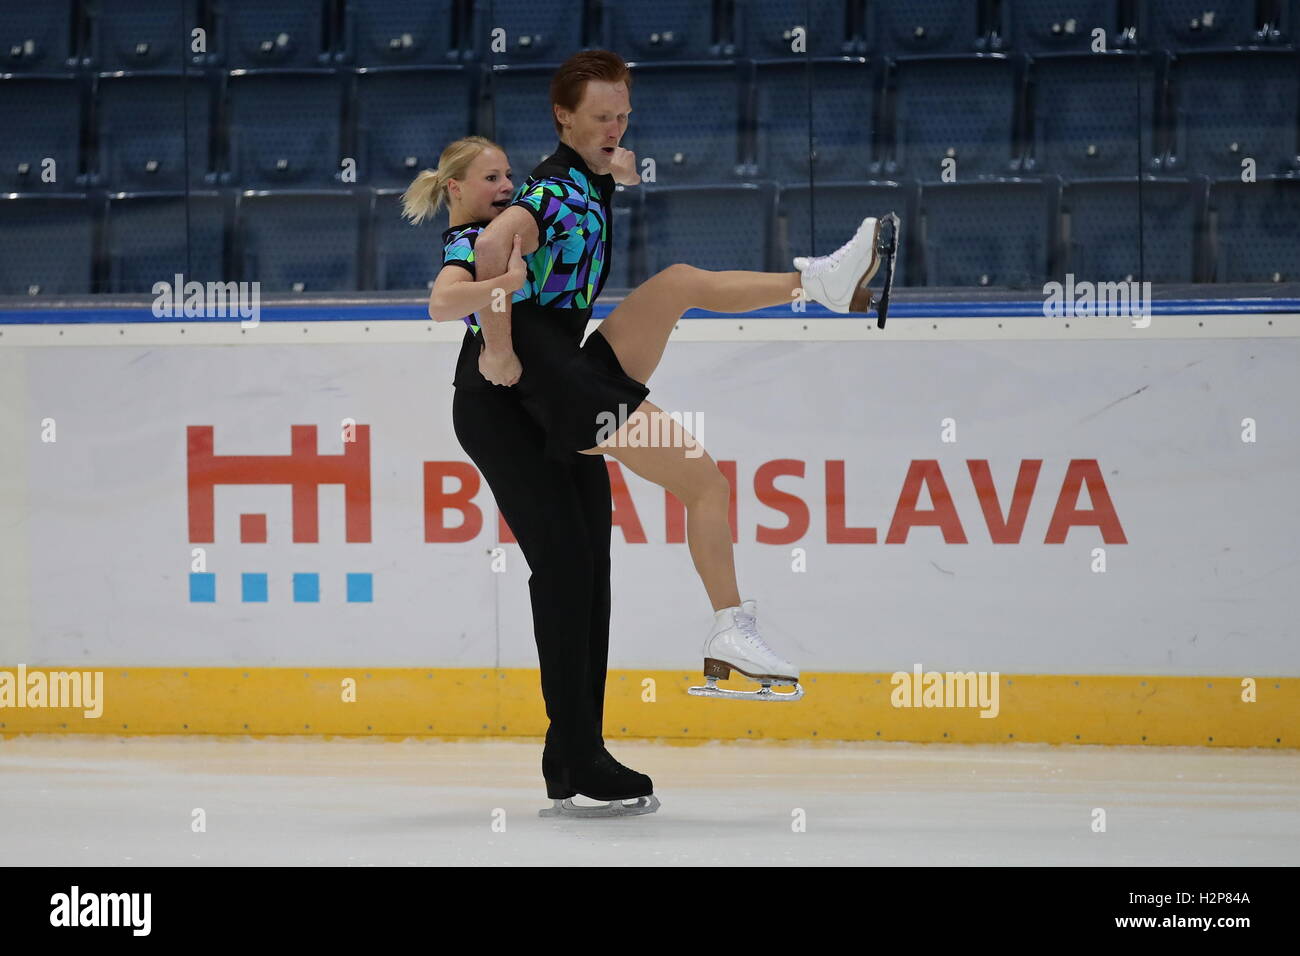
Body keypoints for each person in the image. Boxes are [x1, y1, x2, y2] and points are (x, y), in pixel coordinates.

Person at [404, 50, 892, 816]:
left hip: (560, 370)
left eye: (622, 115)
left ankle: (821, 284)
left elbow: (591, 187)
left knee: (676, 287)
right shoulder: (543, 191)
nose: (615, 128)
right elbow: (492, 252)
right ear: (564, 117)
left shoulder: (591, 172)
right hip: (525, 393)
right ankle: (725, 636)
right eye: (601, 117)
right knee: (690, 488)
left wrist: (618, 169)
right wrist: (497, 346)